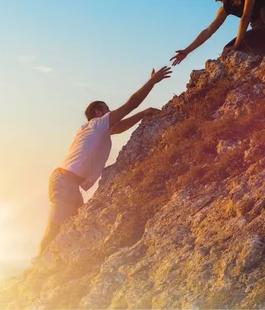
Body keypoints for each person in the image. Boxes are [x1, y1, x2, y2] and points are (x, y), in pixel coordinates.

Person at [38, 66, 172, 254]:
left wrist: (143, 114)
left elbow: (120, 126)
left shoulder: (94, 128)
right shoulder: (98, 124)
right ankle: (37, 269)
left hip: (68, 182)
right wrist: (152, 82)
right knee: (54, 229)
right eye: (108, 110)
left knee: (72, 230)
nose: (111, 113)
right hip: (64, 182)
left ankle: (52, 268)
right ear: (99, 113)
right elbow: (130, 104)